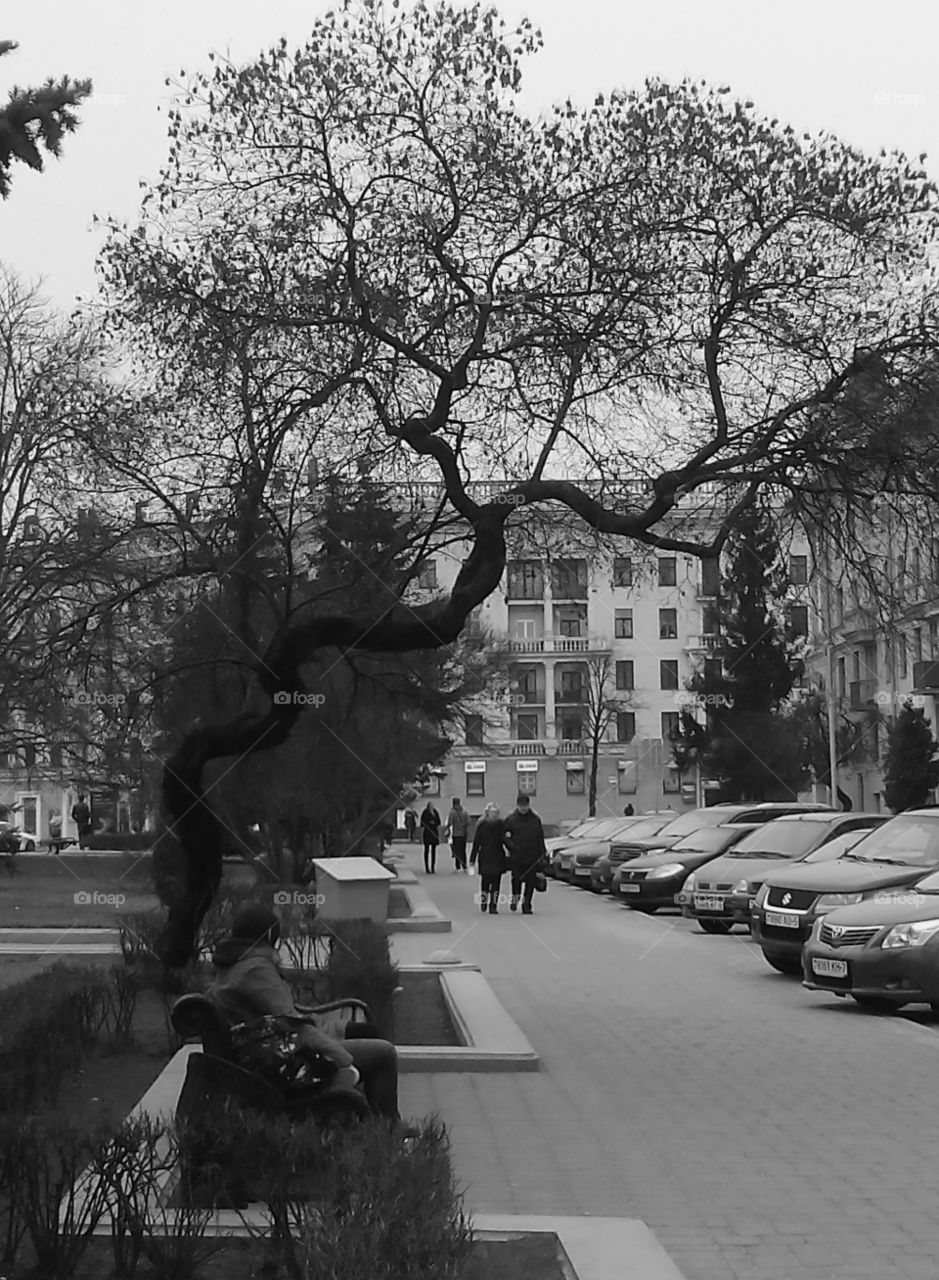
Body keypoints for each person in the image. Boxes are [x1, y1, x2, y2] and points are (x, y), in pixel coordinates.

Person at [207, 902, 411, 1129]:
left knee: (363, 1031)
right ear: (269, 935)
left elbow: (285, 1018)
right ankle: (389, 1127)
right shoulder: (255, 969)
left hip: (267, 1048)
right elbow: (293, 1024)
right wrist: (342, 1058)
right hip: (285, 1056)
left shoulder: (234, 964)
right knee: (383, 1052)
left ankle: (375, 1123)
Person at [502, 792, 548, 916]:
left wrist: (542, 854)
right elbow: (504, 836)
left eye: (525, 805)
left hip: (532, 856)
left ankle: (527, 904)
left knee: (531, 882)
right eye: (521, 806)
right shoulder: (511, 819)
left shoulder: (535, 819)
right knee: (516, 880)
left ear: (529, 805)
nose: (523, 808)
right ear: (517, 805)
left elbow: (540, 838)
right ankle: (515, 899)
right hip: (517, 856)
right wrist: (511, 846)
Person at [470, 802, 506, 914]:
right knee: (485, 882)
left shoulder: (501, 825)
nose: (493, 815)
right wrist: (472, 859)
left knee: (496, 883)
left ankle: (493, 906)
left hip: (498, 856)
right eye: (491, 812)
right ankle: (484, 901)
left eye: (495, 812)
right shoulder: (482, 825)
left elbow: (506, 840)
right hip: (485, 856)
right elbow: (476, 843)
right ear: (487, 813)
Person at [444, 797, 469, 873]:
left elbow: (450, 822)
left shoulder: (452, 812)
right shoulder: (464, 811)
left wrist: (448, 828)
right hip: (464, 833)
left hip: (456, 834)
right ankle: (464, 866)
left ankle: (458, 867)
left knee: (457, 851)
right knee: (463, 850)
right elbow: (468, 822)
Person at [419, 802, 441, 873]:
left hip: (434, 833)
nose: (432, 807)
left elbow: (439, 822)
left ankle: (433, 867)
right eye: (431, 806)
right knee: (426, 850)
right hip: (427, 833)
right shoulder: (425, 812)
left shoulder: (435, 812)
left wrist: (434, 823)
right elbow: (422, 823)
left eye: (432, 806)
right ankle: (427, 868)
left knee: (434, 851)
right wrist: (429, 823)